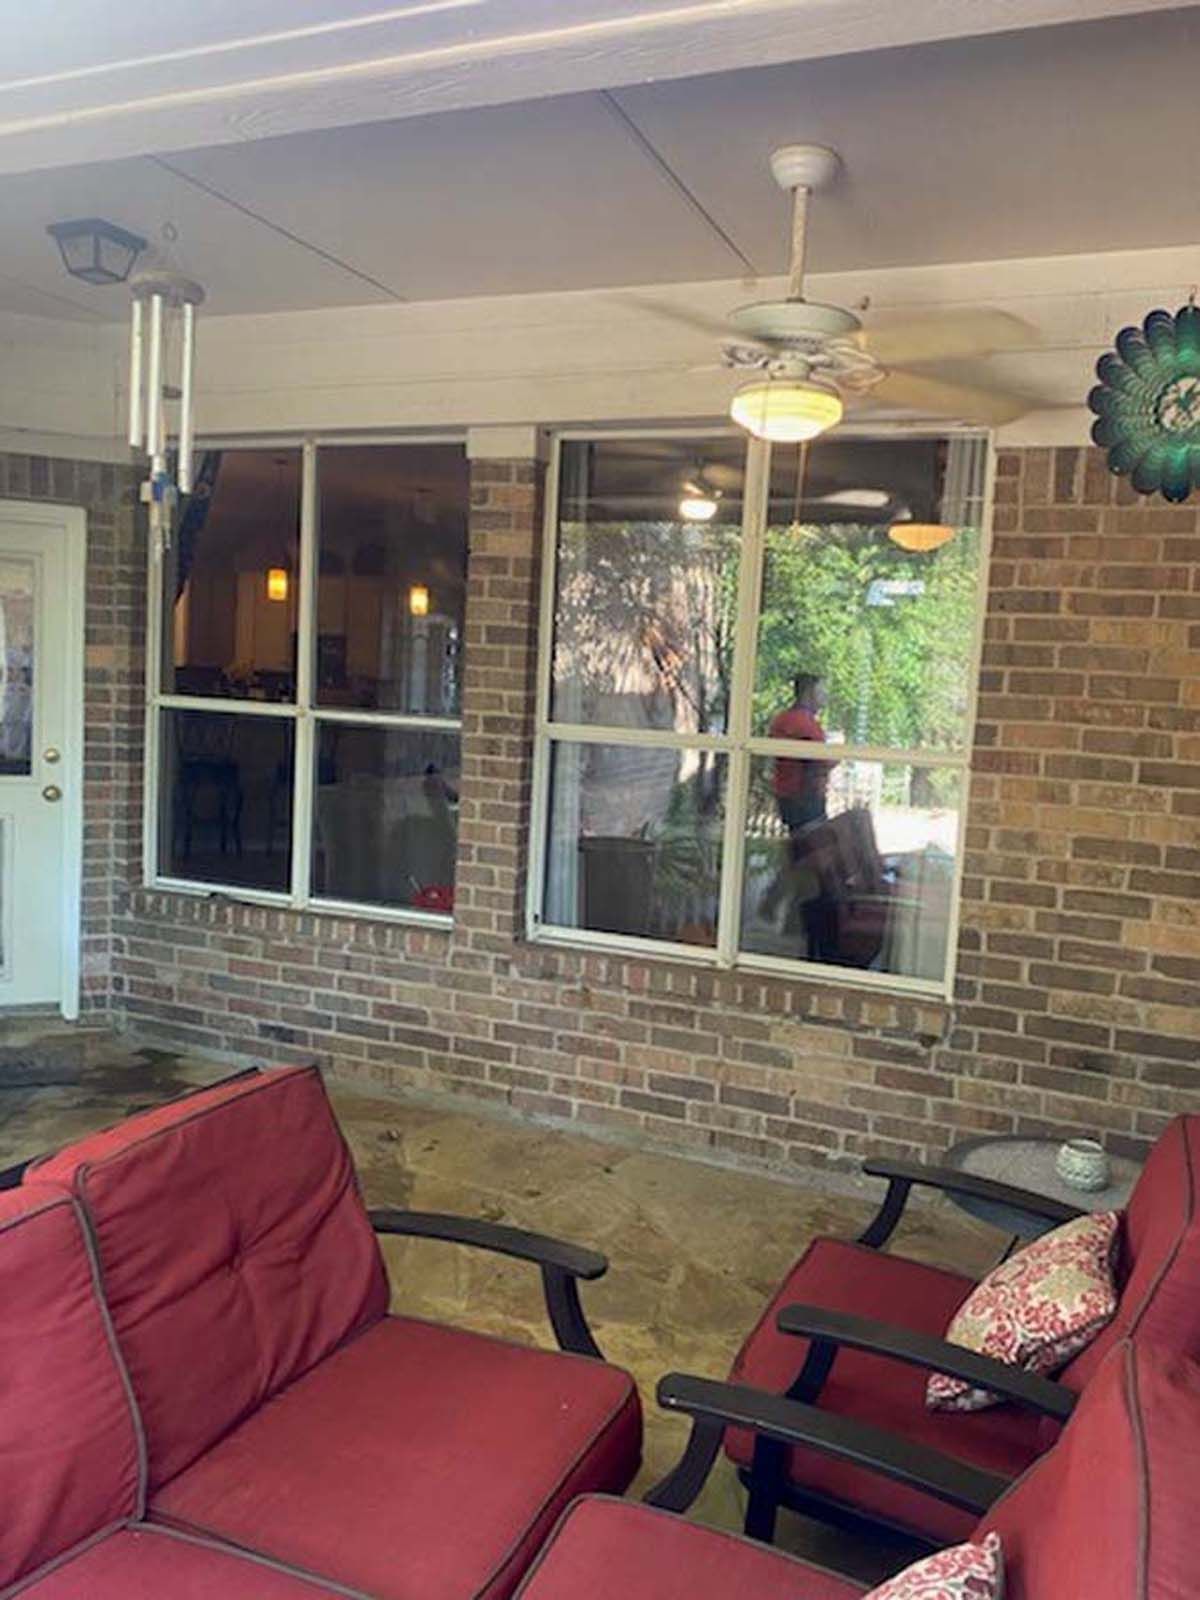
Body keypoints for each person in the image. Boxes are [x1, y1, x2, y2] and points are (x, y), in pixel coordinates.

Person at [770, 673, 832, 833]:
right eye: (821, 690)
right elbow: (819, 762)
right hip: (805, 800)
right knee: (813, 847)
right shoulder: (805, 724)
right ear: (810, 692)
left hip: (787, 797)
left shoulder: (781, 720)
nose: (825, 695)